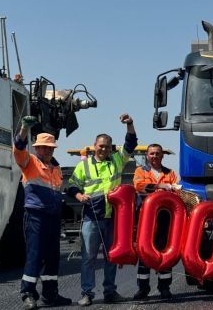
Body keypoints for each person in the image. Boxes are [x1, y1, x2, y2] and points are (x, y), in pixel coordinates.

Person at [67, 114, 137, 307]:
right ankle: (87, 293)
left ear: (111, 147)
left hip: (112, 216)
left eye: (107, 146)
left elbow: (131, 143)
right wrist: (79, 196)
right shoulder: (84, 165)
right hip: (91, 216)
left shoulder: (117, 160)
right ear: (94, 145)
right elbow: (71, 185)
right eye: (101, 145)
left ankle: (110, 292)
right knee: (88, 257)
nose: (104, 149)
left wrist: (129, 124)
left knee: (111, 256)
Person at [13, 116, 72, 310]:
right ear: (36, 148)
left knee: (52, 256)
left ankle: (50, 294)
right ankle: (28, 294)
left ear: (53, 149)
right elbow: (19, 147)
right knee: (35, 255)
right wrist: (23, 129)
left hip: (53, 217)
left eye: (49, 148)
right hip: (36, 216)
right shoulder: (29, 162)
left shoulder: (56, 169)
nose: (46, 150)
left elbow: (59, 191)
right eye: (43, 147)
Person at [132, 143, 181, 300]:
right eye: (151, 153)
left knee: (165, 251)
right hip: (146, 219)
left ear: (162, 155)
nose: (154, 156)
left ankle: (165, 287)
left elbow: (178, 190)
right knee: (144, 252)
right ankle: (143, 289)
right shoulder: (140, 171)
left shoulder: (171, 173)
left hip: (166, 218)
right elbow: (138, 186)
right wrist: (161, 186)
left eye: (157, 154)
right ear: (147, 155)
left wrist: (171, 188)